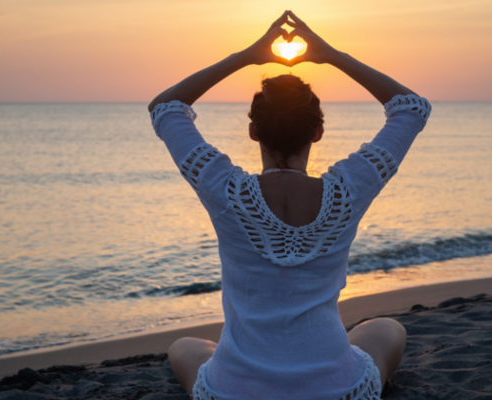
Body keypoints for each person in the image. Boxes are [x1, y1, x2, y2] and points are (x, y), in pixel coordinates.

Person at [148, 10, 431, 400]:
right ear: (317, 131)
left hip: (233, 392)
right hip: (338, 390)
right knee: (387, 328)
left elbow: (165, 107)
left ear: (253, 132)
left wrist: (245, 56)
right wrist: (332, 55)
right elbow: (411, 107)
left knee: (184, 346)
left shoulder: (223, 188)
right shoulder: (349, 190)